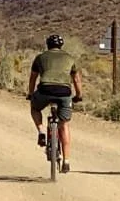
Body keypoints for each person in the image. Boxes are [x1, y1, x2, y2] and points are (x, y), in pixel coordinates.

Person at [26, 34, 83, 173]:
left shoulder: (40, 57)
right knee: (64, 125)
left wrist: (30, 93)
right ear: (61, 45)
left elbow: (33, 78)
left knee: (35, 108)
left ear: (48, 45)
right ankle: (67, 161)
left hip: (45, 89)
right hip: (64, 92)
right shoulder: (69, 58)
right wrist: (79, 95)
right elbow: (76, 79)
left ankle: (41, 132)